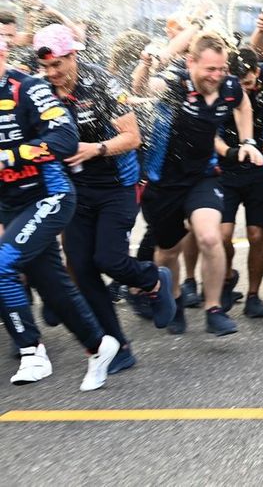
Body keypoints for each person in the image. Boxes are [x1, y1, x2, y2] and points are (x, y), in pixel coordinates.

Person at [33, 24, 175, 374]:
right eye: (46, 68)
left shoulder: (102, 84)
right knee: (81, 268)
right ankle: (117, 346)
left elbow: (133, 137)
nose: (52, 74)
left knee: (109, 259)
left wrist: (94, 149)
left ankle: (154, 280)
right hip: (73, 192)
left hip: (116, 187)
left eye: (58, 66)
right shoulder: (40, 91)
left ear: (73, 55)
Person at [0, 26, 119, 390]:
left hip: (49, 196)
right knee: (52, 286)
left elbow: (65, 138)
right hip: (10, 204)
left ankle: (31, 351)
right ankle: (100, 346)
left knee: (2, 265)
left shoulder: (29, 88)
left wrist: (11, 155)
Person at [134, 32, 263, 336]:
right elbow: (142, 86)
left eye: (221, 69)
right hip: (163, 181)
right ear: (191, 62)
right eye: (210, 70)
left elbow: (243, 106)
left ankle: (214, 308)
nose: (216, 76)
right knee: (167, 250)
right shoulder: (174, 83)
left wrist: (247, 141)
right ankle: (176, 299)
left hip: (203, 177)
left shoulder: (229, 86)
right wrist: (144, 65)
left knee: (209, 237)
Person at [217, 48, 263, 319]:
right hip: (226, 168)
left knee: (258, 234)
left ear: (257, 73)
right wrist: (231, 153)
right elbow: (212, 133)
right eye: (237, 82)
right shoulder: (222, 87)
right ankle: (227, 275)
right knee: (221, 236)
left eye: (247, 84)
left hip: (259, 167)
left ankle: (254, 295)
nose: (241, 90)